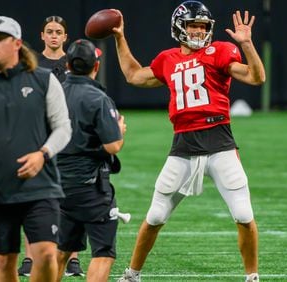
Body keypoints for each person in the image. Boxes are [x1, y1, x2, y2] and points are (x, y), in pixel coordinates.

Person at [113, 1, 265, 281]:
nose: (198, 31)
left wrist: (247, 45)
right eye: (193, 25)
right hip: (183, 144)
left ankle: (252, 277)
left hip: (219, 141)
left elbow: (256, 77)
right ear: (178, 27)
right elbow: (134, 75)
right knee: (155, 216)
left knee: (243, 214)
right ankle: (132, 274)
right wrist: (120, 38)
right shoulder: (167, 58)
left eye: (202, 26)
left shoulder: (220, 51)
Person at [0, 15, 71, 281]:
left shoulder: (44, 80)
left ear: (17, 43)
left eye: (0, 39)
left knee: (46, 254)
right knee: (4, 262)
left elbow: (63, 128)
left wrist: (43, 154)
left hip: (40, 186)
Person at [18, 14, 84, 278]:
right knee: (33, 197)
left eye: (58, 31)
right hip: (40, 138)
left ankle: (73, 258)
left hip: (72, 137)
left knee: (72, 199)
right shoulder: (33, 63)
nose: (54, 35)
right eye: (50, 31)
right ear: (42, 35)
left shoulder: (75, 62)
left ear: (65, 36)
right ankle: (29, 257)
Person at [55, 38, 126, 282]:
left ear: (68, 65)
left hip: (57, 185)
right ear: (95, 66)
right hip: (90, 186)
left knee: (62, 249)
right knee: (103, 253)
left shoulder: (52, 94)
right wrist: (119, 130)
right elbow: (113, 145)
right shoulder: (98, 98)